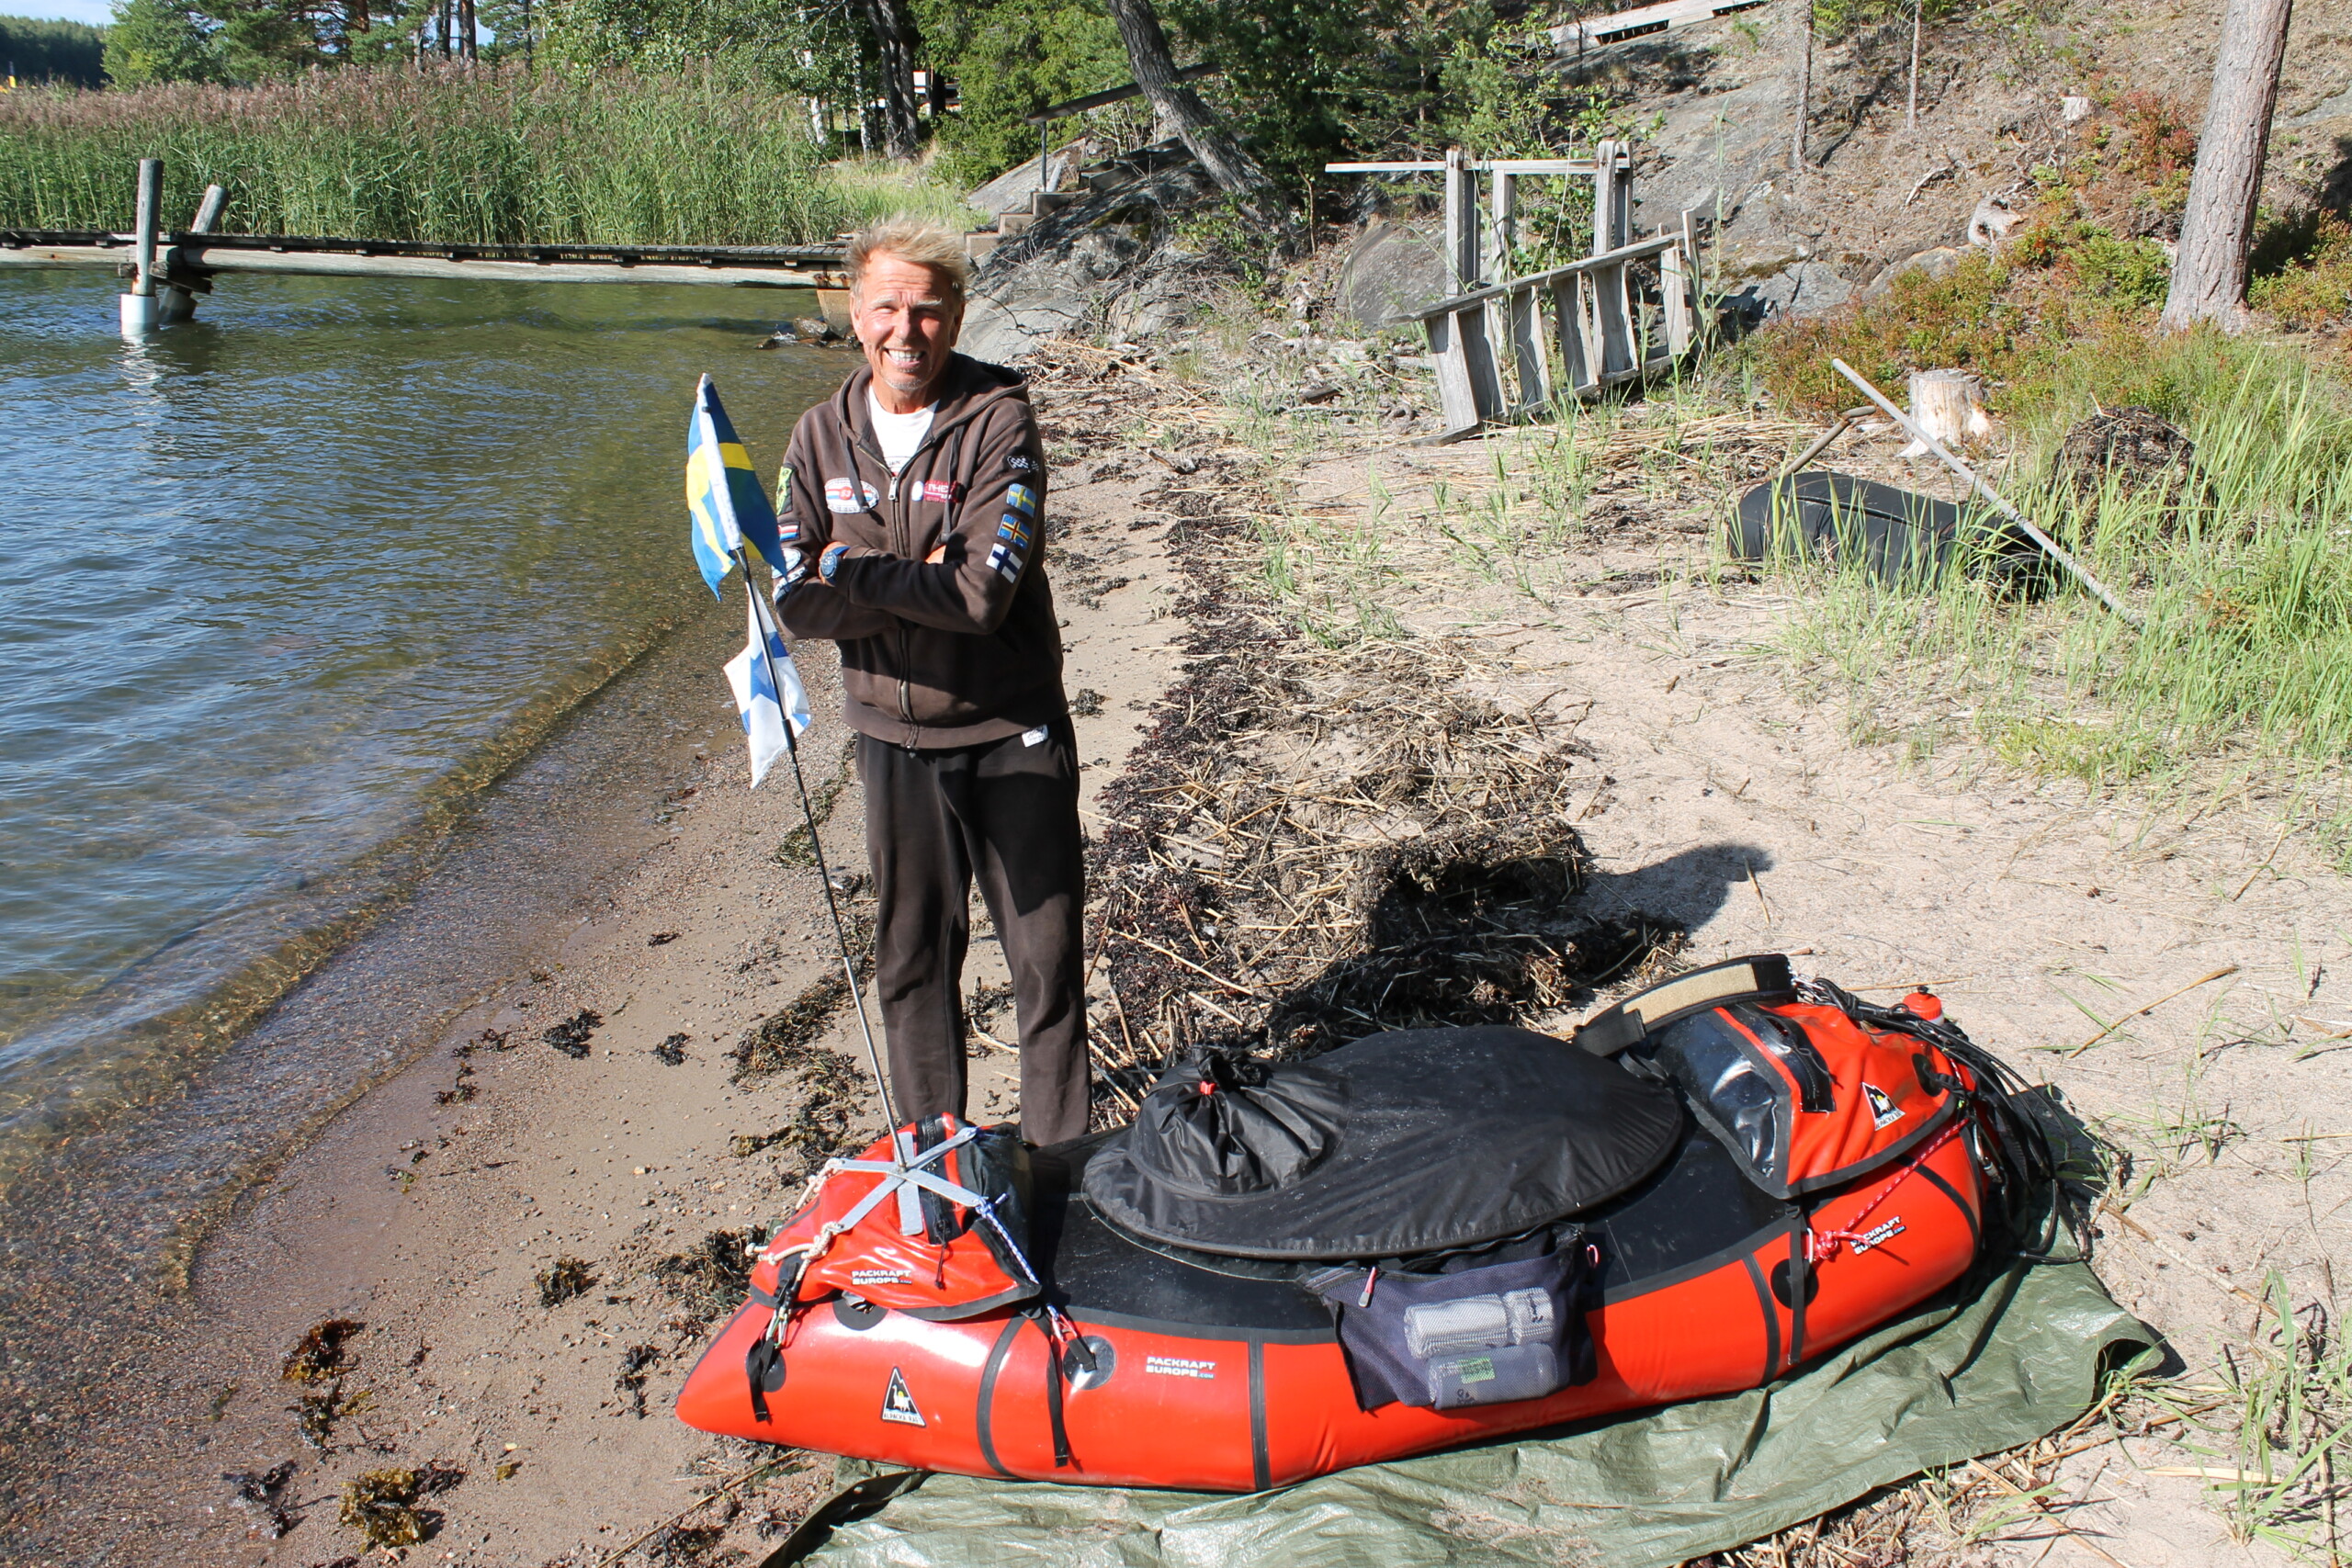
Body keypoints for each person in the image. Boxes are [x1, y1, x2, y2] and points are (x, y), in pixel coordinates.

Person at [771, 218, 1090, 1147]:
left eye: (926, 310)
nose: (904, 332)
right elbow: (796, 604)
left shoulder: (996, 417)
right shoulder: (817, 435)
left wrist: (856, 571)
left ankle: (1057, 1162)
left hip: (1008, 730)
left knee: (1044, 961)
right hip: (891, 739)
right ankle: (935, 1168)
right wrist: (919, 577)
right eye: (885, 308)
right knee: (911, 960)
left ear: (954, 316)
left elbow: (984, 594)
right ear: (853, 311)